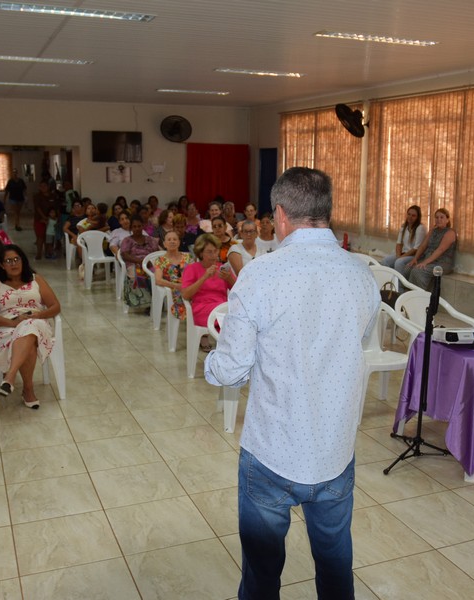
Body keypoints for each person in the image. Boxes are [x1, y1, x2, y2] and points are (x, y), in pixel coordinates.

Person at [205, 167, 380, 599]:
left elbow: (229, 370)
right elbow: (352, 344)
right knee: (336, 567)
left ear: (280, 215)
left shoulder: (262, 275)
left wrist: (213, 357)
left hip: (272, 453)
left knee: (262, 576)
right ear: (326, 211)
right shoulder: (362, 275)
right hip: (334, 450)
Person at [0, 245, 60, 409]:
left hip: (36, 321)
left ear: (23, 261)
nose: (13, 263)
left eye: (16, 259)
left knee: (30, 327)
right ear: (2, 265)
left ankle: (10, 377)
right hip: (7, 326)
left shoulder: (35, 279)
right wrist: (12, 323)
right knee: (28, 339)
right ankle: (28, 389)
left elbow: (55, 306)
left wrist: (37, 315)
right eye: (8, 261)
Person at [181, 233, 235, 346]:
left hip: (222, 308)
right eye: (209, 252)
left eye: (215, 251)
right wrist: (204, 277)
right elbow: (186, 295)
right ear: (201, 253)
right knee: (231, 319)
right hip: (202, 309)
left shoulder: (223, 268)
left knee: (236, 315)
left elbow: (239, 290)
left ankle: (228, 349)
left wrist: (229, 278)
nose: (213, 255)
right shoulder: (192, 269)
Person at [402, 207, 456, 290]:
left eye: (442, 217)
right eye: (437, 217)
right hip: (429, 260)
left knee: (417, 271)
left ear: (447, 219)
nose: (439, 219)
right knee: (407, 268)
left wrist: (425, 263)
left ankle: (420, 297)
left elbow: (440, 250)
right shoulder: (432, 231)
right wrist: (415, 259)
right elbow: (423, 246)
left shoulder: (450, 233)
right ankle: (407, 296)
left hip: (442, 263)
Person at [120, 214, 161, 309]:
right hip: (134, 263)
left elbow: (157, 252)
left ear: (142, 226)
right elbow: (124, 255)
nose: (137, 228)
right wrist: (140, 261)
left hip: (150, 263)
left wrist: (150, 261)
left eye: (139, 226)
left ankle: (158, 300)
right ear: (131, 228)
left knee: (158, 276)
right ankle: (148, 304)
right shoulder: (127, 240)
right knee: (138, 276)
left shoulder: (150, 239)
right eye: (134, 226)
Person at [154, 231, 194, 321]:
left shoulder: (188, 257)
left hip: (189, 286)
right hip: (174, 289)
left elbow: (194, 274)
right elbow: (158, 280)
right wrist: (176, 286)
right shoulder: (160, 260)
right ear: (164, 244)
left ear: (179, 242)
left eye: (175, 239)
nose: (172, 241)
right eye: (169, 240)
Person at [382, 205, 427, 273]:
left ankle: (399, 283)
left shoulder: (420, 228)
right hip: (404, 254)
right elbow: (399, 243)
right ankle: (389, 281)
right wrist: (398, 256)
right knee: (385, 261)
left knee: (398, 262)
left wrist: (400, 258)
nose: (410, 217)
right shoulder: (404, 226)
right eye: (409, 214)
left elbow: (416, 248)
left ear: (418, 217)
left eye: (413, 215)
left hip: (415, 256)